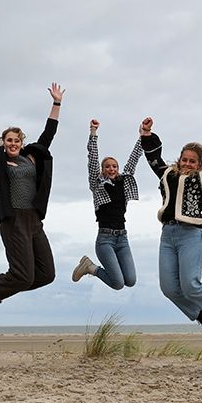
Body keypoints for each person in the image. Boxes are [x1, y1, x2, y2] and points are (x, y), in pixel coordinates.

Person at [0, 84, 63, 308]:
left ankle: (4, 282)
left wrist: (56, 103)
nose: (13, 143)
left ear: (22, 142)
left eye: (17, 140)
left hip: (34, 221)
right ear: (3, 143)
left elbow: (49, 133)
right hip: (13, 220)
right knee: (24, 277)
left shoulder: (32, 157)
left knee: (46, 274)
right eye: (9, 140)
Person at [139, 115, 202, 334]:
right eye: (185, 159)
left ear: (198, 164)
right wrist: (146, 134)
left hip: (192, 235)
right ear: (179, 159)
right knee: (169, 287)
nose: (187, 164)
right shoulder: (166, 175)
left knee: (190, 283)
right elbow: (153, 158)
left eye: (193, 161)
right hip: (168, 235)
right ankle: (199, 314)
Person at [71, 118, 144, 290]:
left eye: (114, 166)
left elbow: (134, 159)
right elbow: (93, 158)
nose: (112, 169)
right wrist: (93, 133)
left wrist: (142, 137)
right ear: (103, 170)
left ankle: (91, 267)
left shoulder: (124, 182)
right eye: (108, 166)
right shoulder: (97, 185)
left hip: (122, 238)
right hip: (105, 240)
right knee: (118, 283)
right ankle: (90, 267)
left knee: (131, 281)